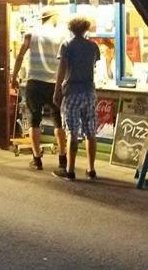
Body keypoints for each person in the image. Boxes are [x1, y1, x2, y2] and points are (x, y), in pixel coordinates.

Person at [11, 7, 67, 171]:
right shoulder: (62, 35)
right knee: (59, 121)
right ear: (54, 17)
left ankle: (37, 159)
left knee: (34, 120)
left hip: (35, 81)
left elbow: (20, 55)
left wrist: (14, 76)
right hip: (55, 82)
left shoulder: (31, 34)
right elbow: (65, 59)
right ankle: (63, 158)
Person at [53, 16, 100, 181]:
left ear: (71, 29)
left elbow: (62, 69)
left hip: (72, 91)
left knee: (72, 131)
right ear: (86, 29)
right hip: (89, 92)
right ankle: (91, 168)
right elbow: (93, 66)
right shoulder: (93, 46)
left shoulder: (67, 45)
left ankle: (70, 169)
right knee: (90, 131)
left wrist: (57, 90)